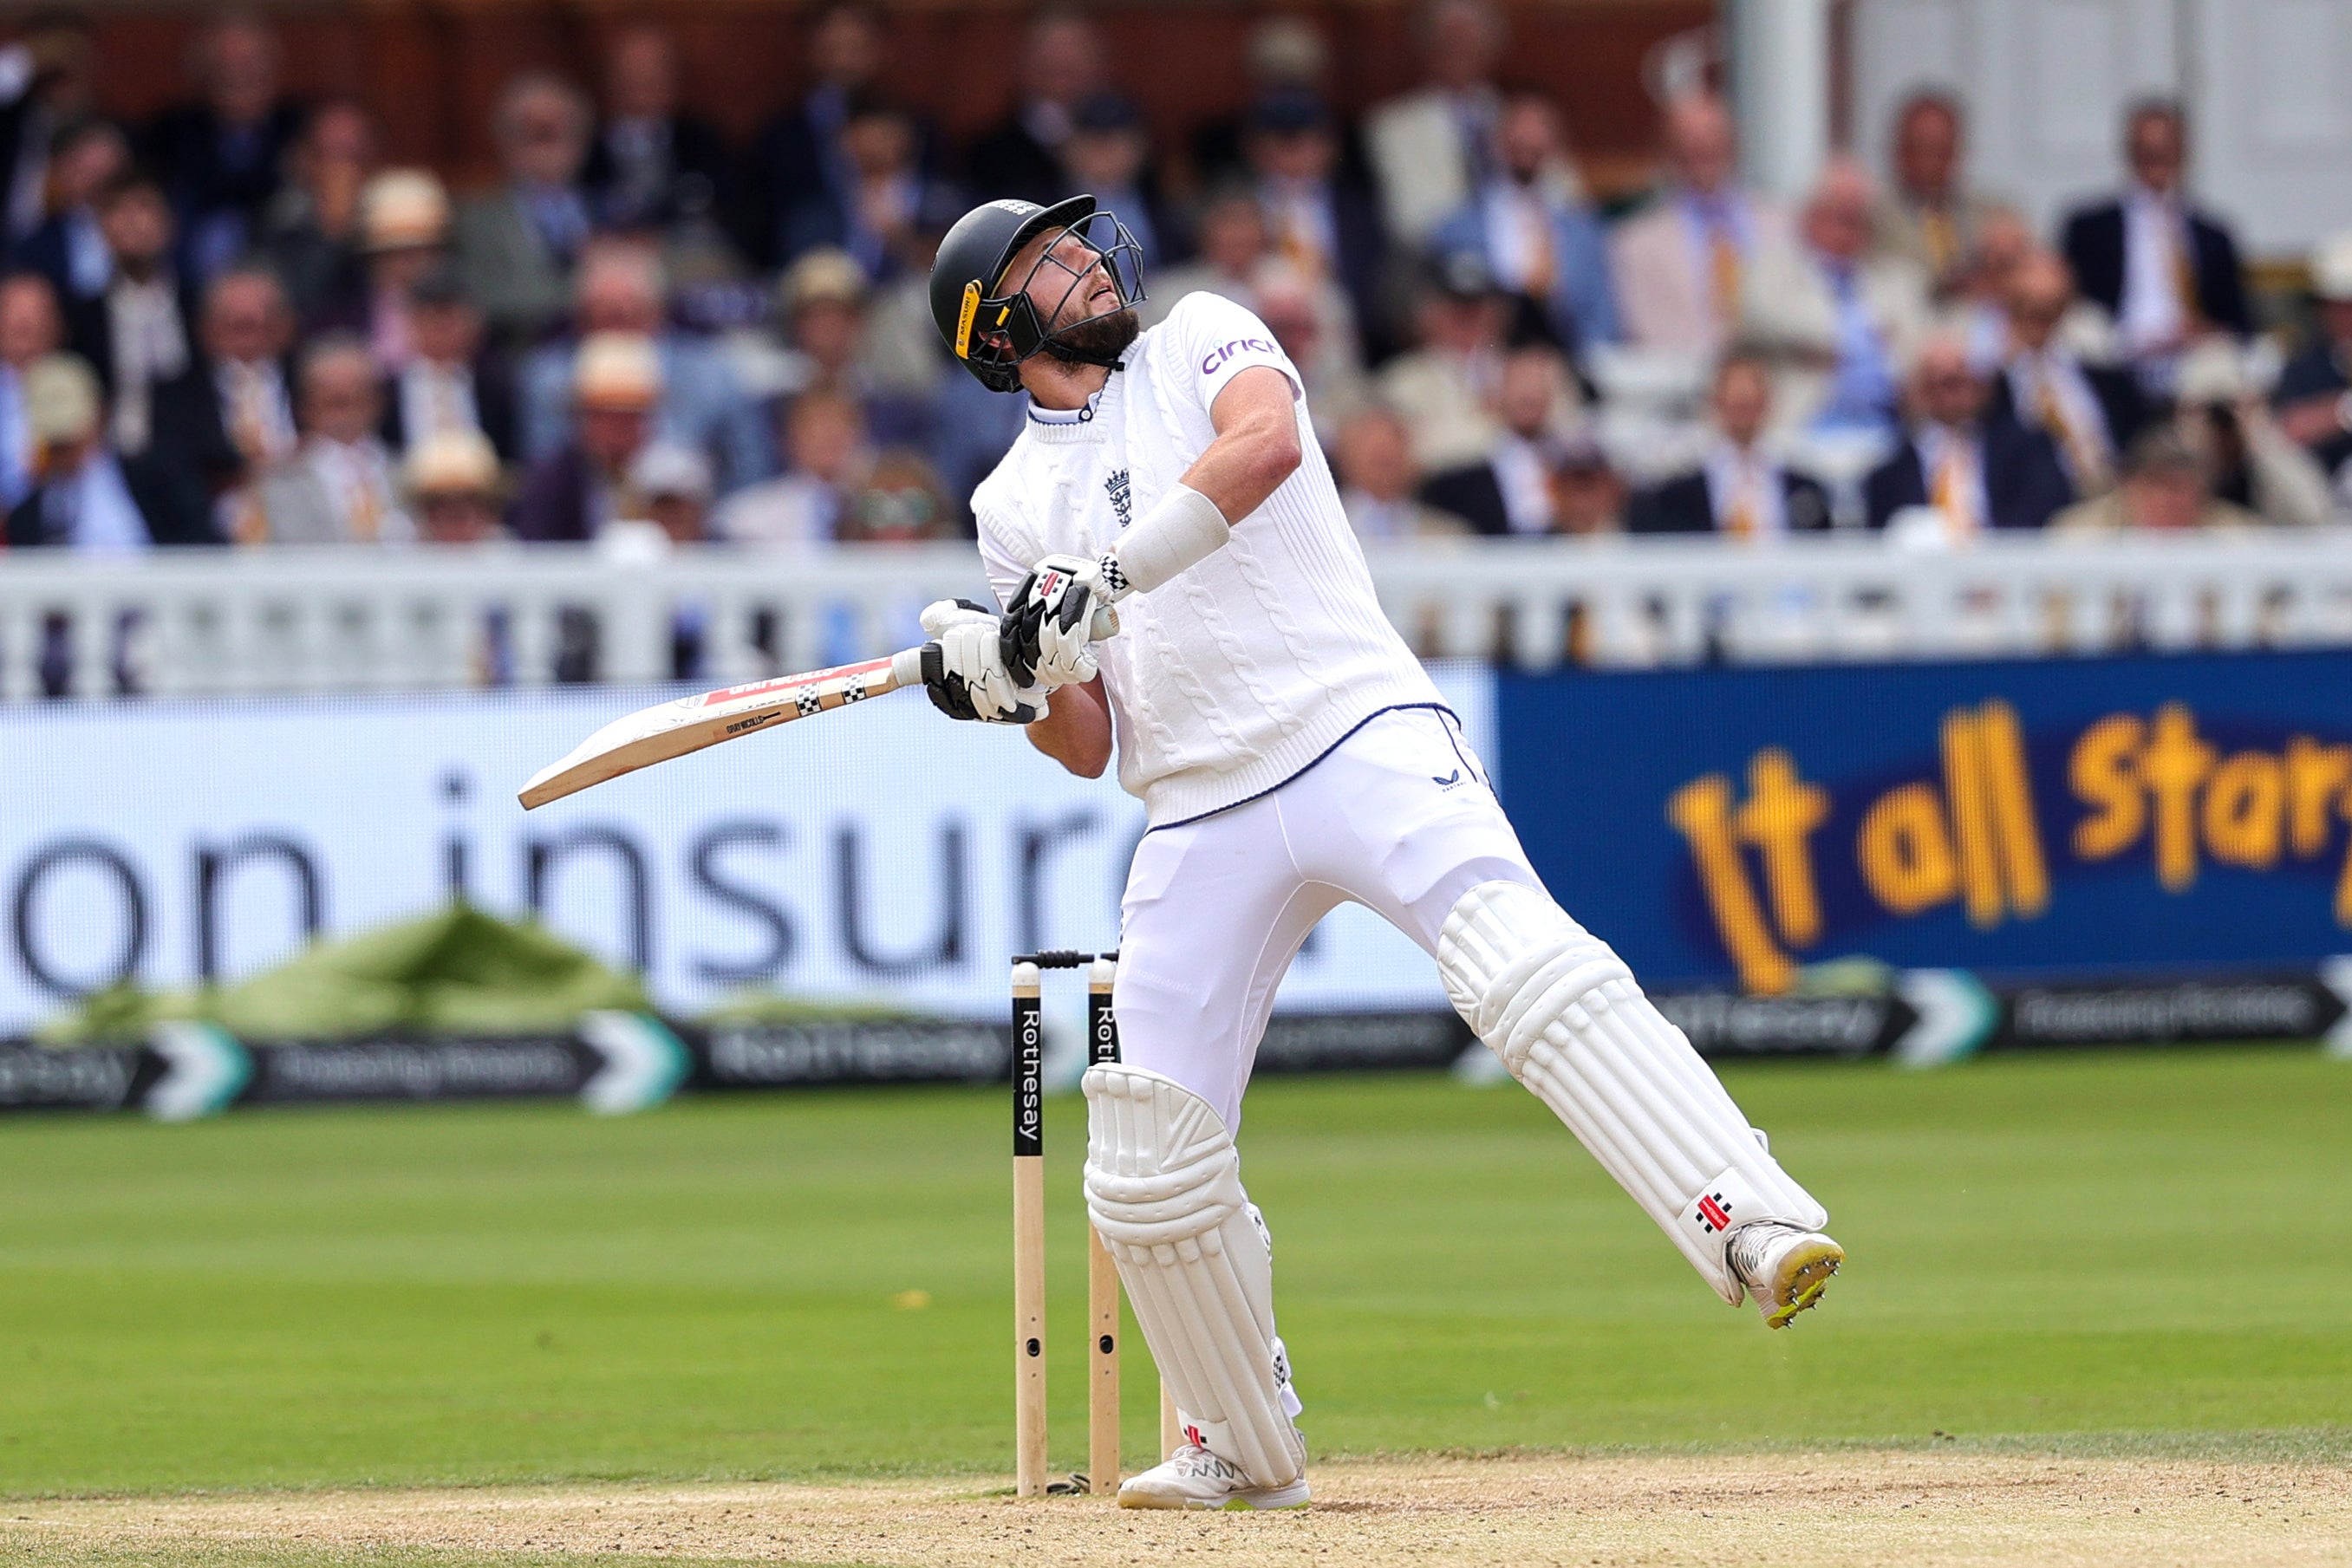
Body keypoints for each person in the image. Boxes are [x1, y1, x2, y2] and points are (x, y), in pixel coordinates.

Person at [918, 192, 1843, 1509]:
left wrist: (1103, 579)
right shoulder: (1011, 502)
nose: (1084, 262)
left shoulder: (1199, 336)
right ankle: (1237, 1440)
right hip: (1195, 801)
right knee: (1141, 1157)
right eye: (1048, 264)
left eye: (1075, 245)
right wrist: (1005, 682)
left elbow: (1266, 449)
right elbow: (1083, 737)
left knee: (1521, 970)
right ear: (998, 330)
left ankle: (1751, 1220)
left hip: (1353, 723)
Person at [517, 240, 768, 493]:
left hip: (698, 520)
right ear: (581, 318)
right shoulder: (548, 376)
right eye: (604, 315)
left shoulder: (713, 371)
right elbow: (541, 470)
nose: (619, 328)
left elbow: (749, 466)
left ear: (657, 312)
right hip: (581, 515)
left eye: (630, 313)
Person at [2058, 100, 2250, 392]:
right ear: (2130, 152)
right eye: (2146, 150)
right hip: (2113, 350)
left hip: (2190, 360)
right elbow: (2069, 302)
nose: (2156, 158)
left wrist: (2202, 331)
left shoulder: (2212, 235)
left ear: (2183, 152)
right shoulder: (2090, 228)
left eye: (2165, 149)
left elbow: (2239, 322)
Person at [1738, 158, 1929, 438]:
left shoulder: (1896, 279)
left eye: (1859, 219)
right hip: (1803, 426)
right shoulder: (1772, 267)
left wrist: (1840, 350)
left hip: (1888, 425)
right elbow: (1763, 317)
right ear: (1810, 215)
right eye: (1838, 216)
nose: (1848, 230)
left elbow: (1917, 347)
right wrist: (1865, 335)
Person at [1430, 93, 1617, 361]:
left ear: (1557, 145)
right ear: (1496, 140)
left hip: (1565, 371)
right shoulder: (1454, 228)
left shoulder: (1584, 231)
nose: (1529, 139)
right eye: (1519, 129)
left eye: (1541, 129)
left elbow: (1601, 319)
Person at [1611, 92, 1785, 356]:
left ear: (1733, 144)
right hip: (1683, 382)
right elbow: (1646, 332)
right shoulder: (1634, 243)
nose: (1702, 147)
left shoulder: (1785, 224)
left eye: (1712, 136)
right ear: (1668, 152)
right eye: (1688, 139)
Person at [142, 13, 305, 282]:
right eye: (224, 64)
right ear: (201, 73)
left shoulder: (299, 130)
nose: (238, 74)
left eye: (251, 62)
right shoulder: (169, 134)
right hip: (189, 283)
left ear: (275, 70)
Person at [1863, 332, 2072, 534]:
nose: (1948, 397)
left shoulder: (2026, 449)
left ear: (1981, 385)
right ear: (1916, 392)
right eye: (1934, 385)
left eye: (1956, 382)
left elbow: (2046, 510)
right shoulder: (1889, 474)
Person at [1237, 88, 1387, 362]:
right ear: (1254, 148)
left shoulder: (1361, 211)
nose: (1291, 153)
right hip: (1253, 341)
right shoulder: (1234, 208)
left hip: (1341, 346)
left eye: (1305, 141)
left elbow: (1375, 287)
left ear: (1329, 146)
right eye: (1279, 141)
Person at [5, 351, 212, 549]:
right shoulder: (26, 515)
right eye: (56, 442)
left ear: (100, 414)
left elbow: (202, 548)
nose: (64, 449)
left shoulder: (155, 482)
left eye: (71, 438)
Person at [65, 172, 202, 461]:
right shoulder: (81, 320)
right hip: (111, 464)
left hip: (192, 463)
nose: (130, 220)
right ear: (102, 228)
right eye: (116, 209)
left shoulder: (200, 306)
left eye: (143, 207)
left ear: (169, 223)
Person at [1985, 250, 2144, 497]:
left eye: (2051, 305)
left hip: (2115, 501)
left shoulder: (2107, 380)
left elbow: (2137, 440)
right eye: (2027, 304)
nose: (2040, 315)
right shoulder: (1990, 389)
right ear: (2008, 307)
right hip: (2036, 506)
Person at [454, 72, 595, 348]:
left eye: (555, 132)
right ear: (507, 141)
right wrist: (589, 297)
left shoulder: (611, 209)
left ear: (580, 139)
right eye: (535, 134)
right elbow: (481, 297)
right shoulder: (477, 221)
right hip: (519, 358)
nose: (546, 145)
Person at [1363, 0, 1512, 246]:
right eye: (1448, 43)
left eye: (1469, 42)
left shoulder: (1519, 118)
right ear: (1426, 49)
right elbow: (1408, 218)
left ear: (1489, 49)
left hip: (1522, 266)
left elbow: (1559, 199)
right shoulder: (1390, 126)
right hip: (1433, 266)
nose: (1459, 53)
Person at [1635, 349, 1831, 536]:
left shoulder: (1805, 490)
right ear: (1715, 402)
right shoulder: (1678, 495)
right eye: (1737, 403)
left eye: (1750, 403)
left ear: (1767, 403)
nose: (1744, 410)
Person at [244, 335, 408, 544]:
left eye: (357, 398)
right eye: (334, 401)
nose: (346, 414)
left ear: (377, 402)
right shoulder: (277, 481)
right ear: (307, 406)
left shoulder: (410, 473)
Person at [582, 23, 733, 239]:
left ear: (674, 78)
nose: (643, 78)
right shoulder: (585, 148)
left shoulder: (703, 142)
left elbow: (728, 213)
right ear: (610, 78)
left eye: (654, 67)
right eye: (631, 69)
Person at [510, 329, 661, 542]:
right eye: (609, 416)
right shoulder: (550, 484)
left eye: (633, 416)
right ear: (583, 420)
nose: (621, 429)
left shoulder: (673, 477)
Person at [1375, 250, 1513, 474]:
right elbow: (1406, 459)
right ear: (1430, 311)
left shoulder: (1524, 372)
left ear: (1496, 311)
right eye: (1456, 306)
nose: (1467, 316)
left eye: (1477, 306)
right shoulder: (1401, 383)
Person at [1419, 344, 1572, 536]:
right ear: (1497, 395)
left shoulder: (1574, 463)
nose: (1529, 396)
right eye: (1519, 385)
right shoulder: (1466, 463)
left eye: (1538, 386)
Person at [252, 99, 376, 327]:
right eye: (331, 156)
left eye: (354, 156)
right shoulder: (277, 222)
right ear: (304, 161)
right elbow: (295, 307)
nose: (343, 170)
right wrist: (331, 232)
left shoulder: (396, 212)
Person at [965, 8, 1104, 206]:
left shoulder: (1130, 143)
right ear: (1024, 59)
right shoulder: (989, 152)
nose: (1062, 61)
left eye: (1074, 48)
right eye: (1050, 48)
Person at [1870, 91, 2001, 300]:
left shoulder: (1991, 215)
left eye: (1941, 150)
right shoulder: (1871, 216)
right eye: (1920, 148)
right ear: (1898, 150)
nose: (1930, 162)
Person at [381, 265, 517, 461]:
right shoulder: (388, 394)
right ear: (413, 325)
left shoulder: (497, 387)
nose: (442, 332)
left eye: (451, 321)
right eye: (433, 321)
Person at [714, 386, 867, 545]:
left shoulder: (878, 510)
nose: (831, 434)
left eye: (841, 422)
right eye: (817, 423)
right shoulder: (745, 517)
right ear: (790, 436)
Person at [2049, 426, 2264, 535]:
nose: (2173, 501)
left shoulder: (2240, 537)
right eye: (2161, 485)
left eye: (2186, 488)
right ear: (2130, 486)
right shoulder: (2078, 534)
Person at [11, 115, 128, 306]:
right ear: (63, 171)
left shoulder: (148, 234)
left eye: (111, 177)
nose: (97, 185)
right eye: (85, 172)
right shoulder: (36, 248)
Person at [2272, 231, 2352, 494]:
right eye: (2335, 305)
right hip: (2320, 499)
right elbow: (2288, 430)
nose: (2343, 316)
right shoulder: (2305, 366)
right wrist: (2344, 410)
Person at [1332, 404, 1462, 542]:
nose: (1384, 454)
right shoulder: (1320, 529)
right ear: (1344, 458)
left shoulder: (1450, 537)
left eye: (1393, 451)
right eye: (1374, 455)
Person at [0, 269, 62, 509]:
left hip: (55, 523)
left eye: (37, 315)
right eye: (13, 315)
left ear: (56, 326)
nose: (24, 324)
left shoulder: (80, 387)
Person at [405, 427, 506, 544]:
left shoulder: (513, 557)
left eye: (470, 500)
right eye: (438, 503)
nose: (453, 515)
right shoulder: (398, 558)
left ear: (490, 512)